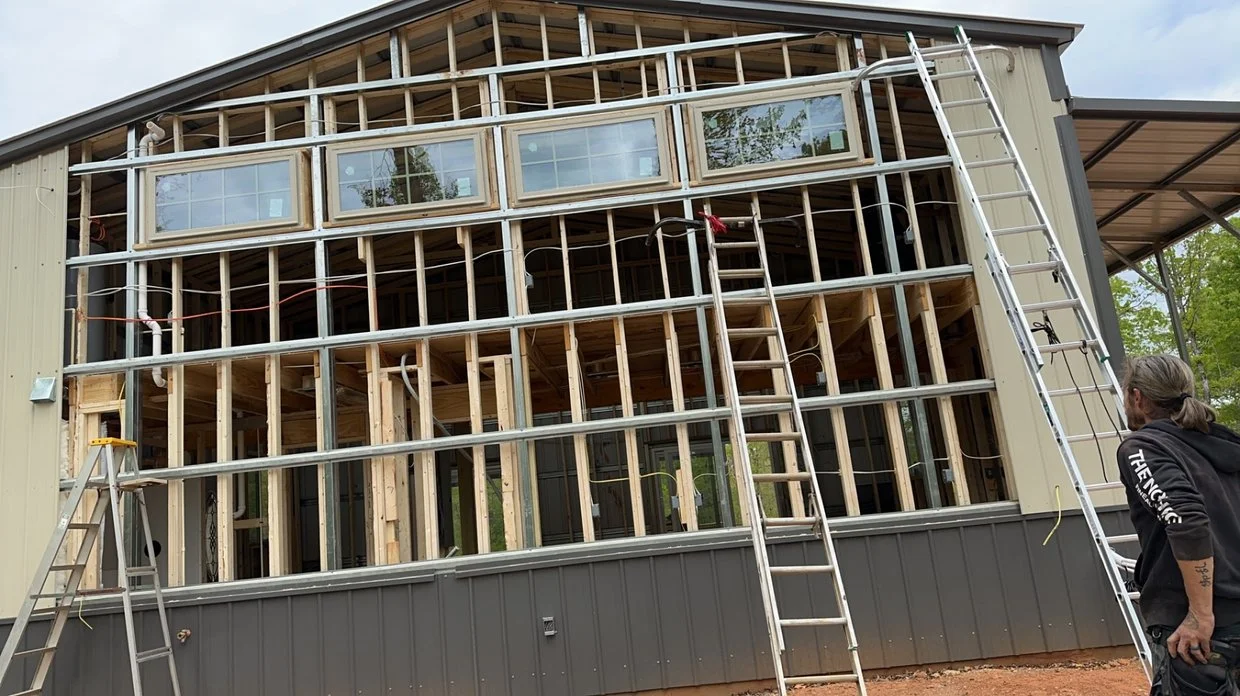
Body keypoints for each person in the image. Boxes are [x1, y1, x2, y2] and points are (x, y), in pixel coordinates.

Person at [1118, 355, 1240, 695]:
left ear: (1138, 397)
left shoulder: (1143, 447)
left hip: (1202, 631)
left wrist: (1200, 615)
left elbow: (1185, 519)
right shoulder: (1225, 444)